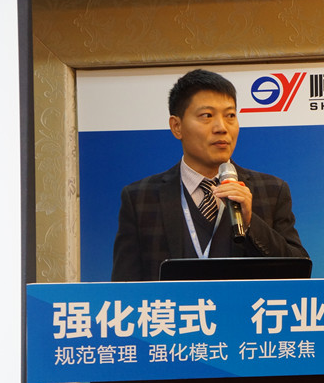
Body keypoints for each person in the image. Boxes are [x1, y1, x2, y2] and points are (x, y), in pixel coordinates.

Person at [111, 69, 308, 282]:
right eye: (207, 116)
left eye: (230, 116)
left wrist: (251, 223)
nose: (221, 128)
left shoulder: (271, 191)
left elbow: (298, 273)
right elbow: (123, 289)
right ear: (177, 126)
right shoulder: (140, 198)